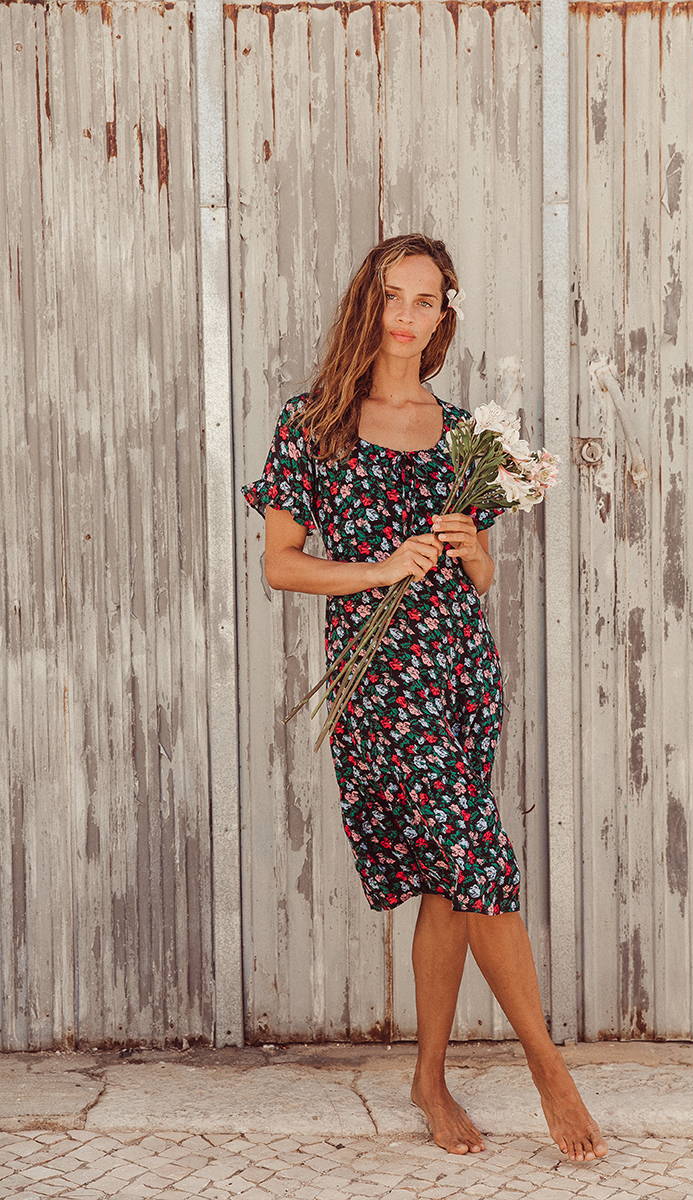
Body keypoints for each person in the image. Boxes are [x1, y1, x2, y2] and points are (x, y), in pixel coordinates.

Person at [241, 233, 608, 1163]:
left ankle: (430, 1077)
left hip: (458, 674)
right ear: (368, 304)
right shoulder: (312, 422)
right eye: (392, 297)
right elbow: (282, 566)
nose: (406, 316)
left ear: (445, 315)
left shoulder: (463, 437)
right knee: (477, 855)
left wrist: (468, 544)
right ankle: (547, 1067)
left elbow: (477, 574)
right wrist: (378, 567)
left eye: (426, 300)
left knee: (452, 880)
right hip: (379, 686)